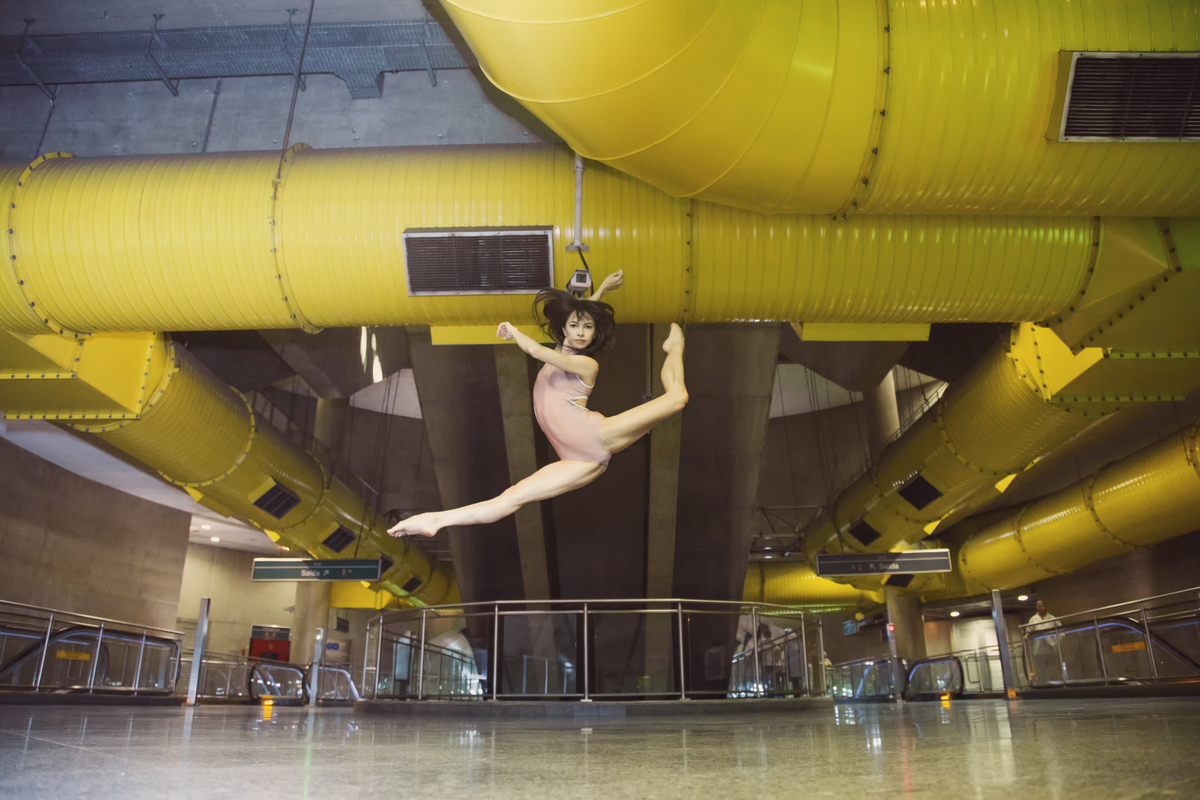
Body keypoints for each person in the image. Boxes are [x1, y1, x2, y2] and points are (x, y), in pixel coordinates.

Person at [388, 270, 688, 538]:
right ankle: (436, 520)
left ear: (595, 334)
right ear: (566, 329)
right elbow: (580, 319)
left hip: (594, 435)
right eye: (574, 327)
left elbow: (535, 351)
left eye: (588, 329)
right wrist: (602, 292)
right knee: (513, 496)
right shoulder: (568, 346)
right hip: (579, 460)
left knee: (677, 397)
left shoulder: (585, 365)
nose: (581, 333)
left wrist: (513, 331)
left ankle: (675, 345)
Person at [1027, 599, 1060, 685]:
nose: (1041, 608)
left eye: (1042, 606)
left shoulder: (1052, 618)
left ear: (1046, 607)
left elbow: (1060, 631)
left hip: (1050, 647)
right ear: (1036, 608)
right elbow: (1028, 632)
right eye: (1039, 606)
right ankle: (1044, 684)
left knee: (1053, 669)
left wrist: (1055, 640)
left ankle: (1055, 684)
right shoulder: (1033, 620)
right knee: (1041, 670)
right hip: (1039, 650)